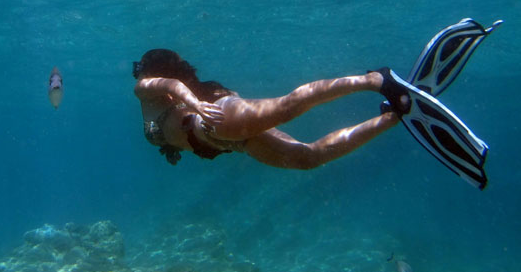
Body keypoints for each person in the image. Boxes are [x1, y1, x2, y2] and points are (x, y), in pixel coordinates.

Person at [133, 18, 502, 189]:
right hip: (227, 140)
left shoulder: (145, 90)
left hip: (213, 118)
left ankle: (375, 79)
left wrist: (193, 104)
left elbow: (170, 85)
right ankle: (393, 116)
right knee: (307, 158)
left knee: (286, 106)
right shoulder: (150, 103)